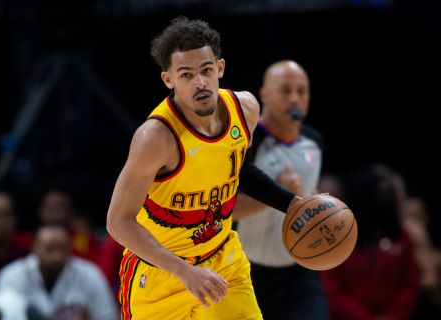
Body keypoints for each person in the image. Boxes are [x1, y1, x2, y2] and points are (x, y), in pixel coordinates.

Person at [106, 16, 302, 320]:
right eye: (186, 74)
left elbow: (237, 170)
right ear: (168, 80)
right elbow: (118, 222)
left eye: (206, 71)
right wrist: (185, 271)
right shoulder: (156, 138)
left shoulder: (245, 109)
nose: (200, 83)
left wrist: (292, 204)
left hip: (222, 262)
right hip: (162, 275)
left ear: (220, 68)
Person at [233, 60, 329, 320]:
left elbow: (308, 192)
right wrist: (278, 195)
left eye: (302, 91)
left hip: (299, 272)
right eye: (286, 90)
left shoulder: (314, 143)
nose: (295, 98)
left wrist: (322, 206)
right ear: (264, 94)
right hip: (246, 274)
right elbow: (221, 213)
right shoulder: (245, 143)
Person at [320, 164, 420, 320]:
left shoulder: (401, 236)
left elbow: (410, 283)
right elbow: (332, 290)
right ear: (362, 197)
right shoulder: (339, 239)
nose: (386, 201)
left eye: (388, 194)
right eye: (380, 194)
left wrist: (391, 316)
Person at [0, 224, 118, 320]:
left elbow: (106, 316)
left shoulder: (89, 273)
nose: (57, 256)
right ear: (34, 247)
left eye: (61, 248)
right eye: (50, 249)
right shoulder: (12, 276)